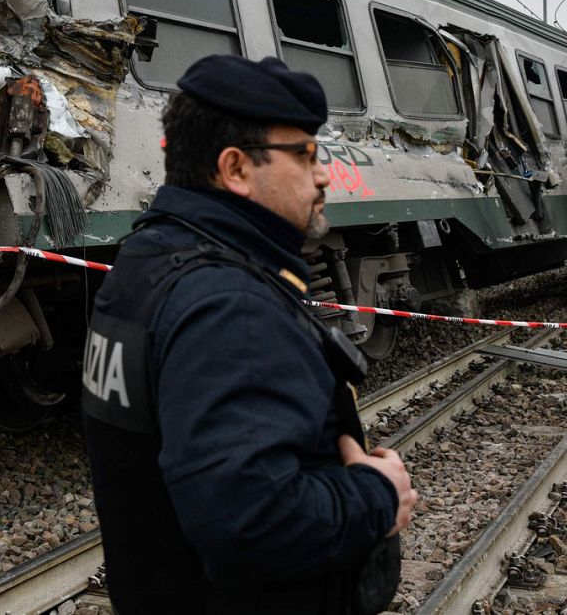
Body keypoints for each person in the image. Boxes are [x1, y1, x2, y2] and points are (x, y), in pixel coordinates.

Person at [81, 54, 417, 614]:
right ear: (235, 168)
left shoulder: (144, 264)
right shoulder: (229, 307)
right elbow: (251, 525)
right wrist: (378, 496)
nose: (322, 173)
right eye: (304, 153)